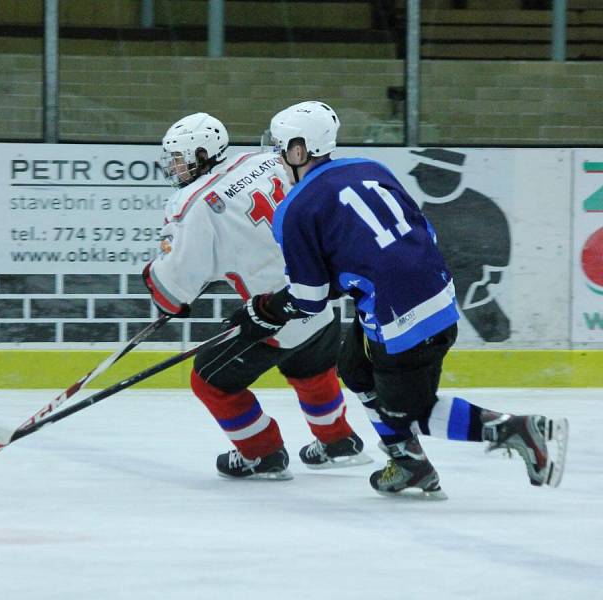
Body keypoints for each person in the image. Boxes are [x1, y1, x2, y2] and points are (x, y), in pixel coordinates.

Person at [227, 100, 569, 499]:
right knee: (355, 367)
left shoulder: (294, 209)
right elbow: (418, 231)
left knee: (414, 413)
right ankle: (409, 465)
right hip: (436, 292)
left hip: (397, 316)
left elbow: (309, 297)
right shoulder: (372, 168)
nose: (278, 157)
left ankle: (518, 429)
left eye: (281, 148)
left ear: (299, 150)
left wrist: (264, 312)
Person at [142, 112, 372, 480]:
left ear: (203, 154)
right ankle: (338, 441)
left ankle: (262, 452)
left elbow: (174, 290)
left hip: (275, 314)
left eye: (180, 159)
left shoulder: (192, 204)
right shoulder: (267, 159)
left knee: (209, 379)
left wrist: (156, 278)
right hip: (320, 294)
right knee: (310, 366)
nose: (175, 169)